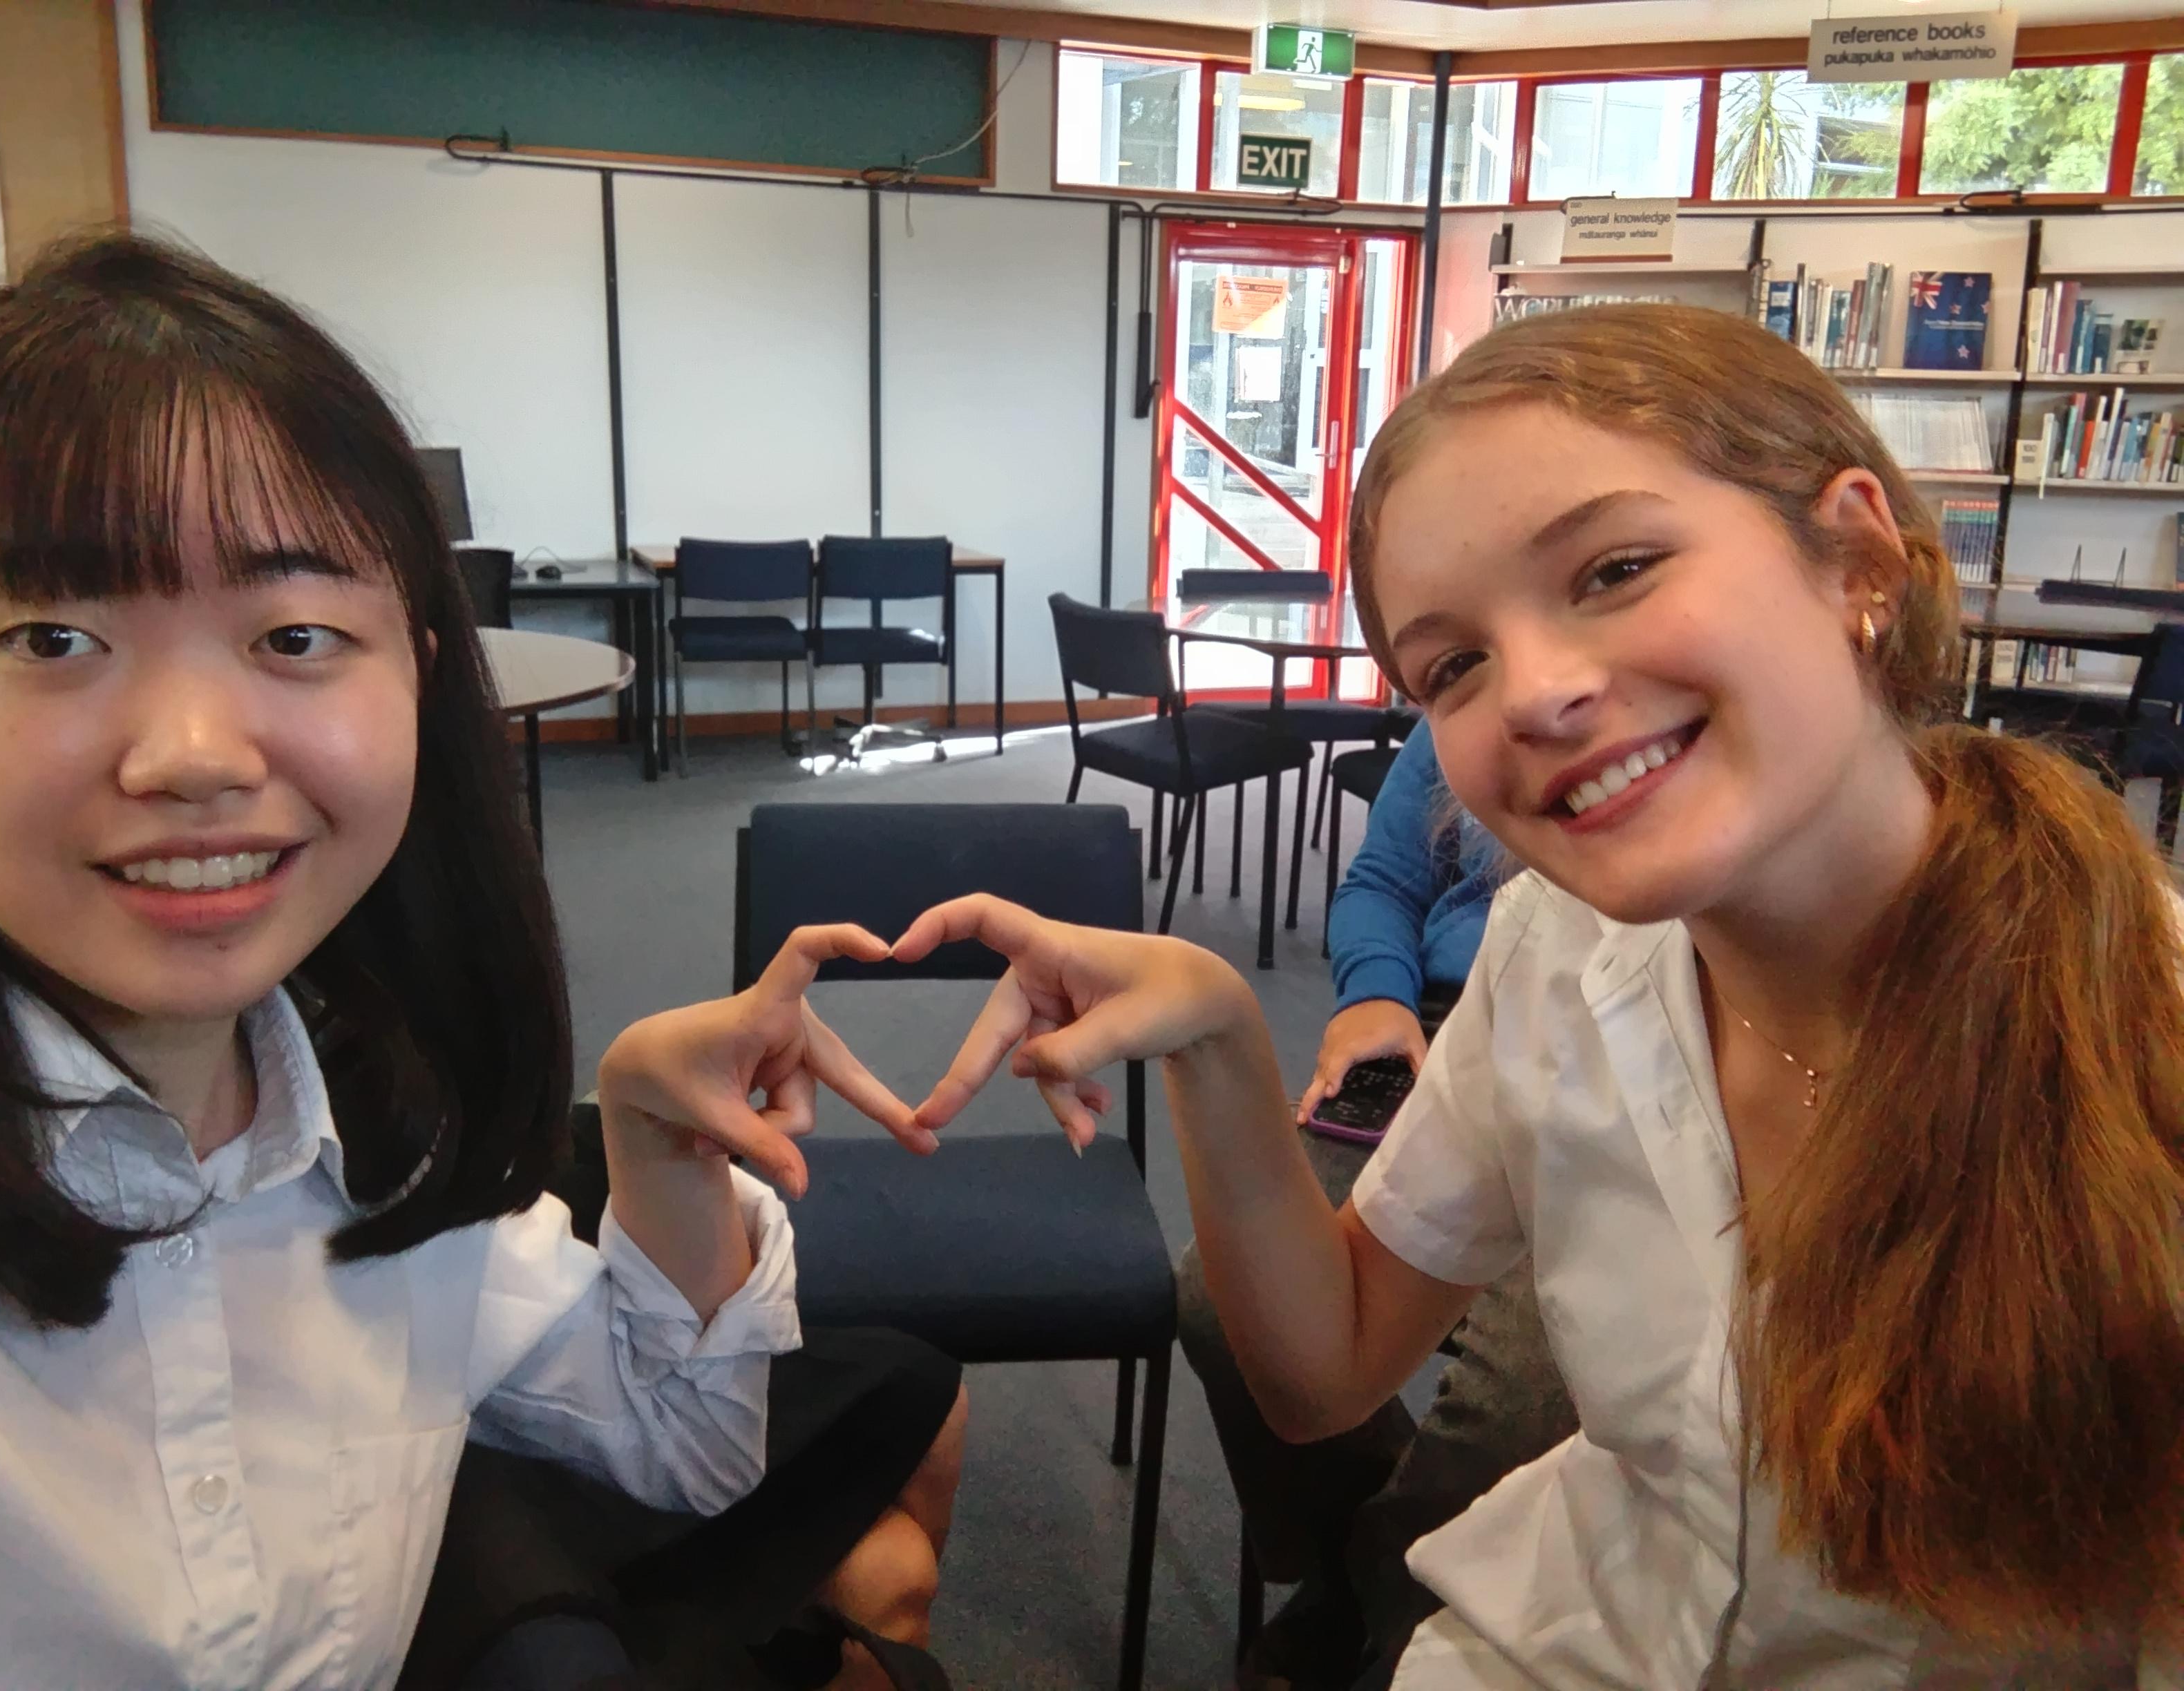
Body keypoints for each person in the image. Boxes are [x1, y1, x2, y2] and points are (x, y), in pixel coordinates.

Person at [896, 304, 2184, 1686]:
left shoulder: (2138, 1029)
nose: (1536, 695)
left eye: (1615, 570)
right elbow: (1324, 1371)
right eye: (1453, 666)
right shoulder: (1556, 950)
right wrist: (1217, 1029)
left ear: (1857, 560)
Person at [0, 231, 965, 1691]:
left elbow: (684, 1447)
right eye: (53, 637)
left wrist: (653, 1142)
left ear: (418, 674)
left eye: (296, 633)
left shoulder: (382, 1137)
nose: (195, 756)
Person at [1176, 718, 1575, 1691]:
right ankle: (1382, 1578)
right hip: (1435, 1028)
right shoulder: (1465, 723)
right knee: (1226, 1298)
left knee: (1526, 1399)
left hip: (1607, 1053)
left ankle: (1359, 1590)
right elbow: (1384, 883)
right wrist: (1374, 995)